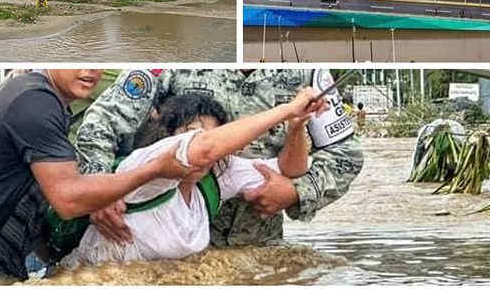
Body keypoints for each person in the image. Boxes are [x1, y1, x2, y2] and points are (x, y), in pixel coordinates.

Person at [0, 70, 201, 285]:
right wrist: (153, 170)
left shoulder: (40, 97)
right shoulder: (36, 101)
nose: (89, 70)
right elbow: (68, 200)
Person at [75, 69, 364, 247]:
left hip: (259, 244)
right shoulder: (174, 61)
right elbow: (101, 123)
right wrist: (100, 190)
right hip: (162, 239)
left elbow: (346, 154)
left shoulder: (308, 75)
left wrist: (295, 192)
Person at [57, 89, 324, 267]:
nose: (205, 147)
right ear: (169, 135)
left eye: (212, 134)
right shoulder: (148, 163)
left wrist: (297, 125)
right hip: (93, 276)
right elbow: (203, 148)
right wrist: (287, 109)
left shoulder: (217, 174)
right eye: (191, 132)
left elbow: (290, 170)